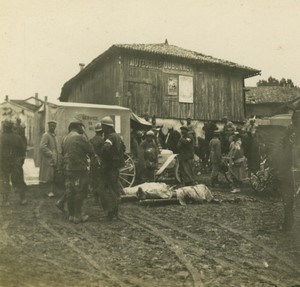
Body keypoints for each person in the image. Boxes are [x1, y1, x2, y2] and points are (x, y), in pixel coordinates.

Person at [270, 107, 300, 231]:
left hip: (292, 168)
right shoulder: (290, 130)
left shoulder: (291, 130)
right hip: (290, 169)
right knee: (287, 198)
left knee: (288, 198)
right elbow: (282, 146)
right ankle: (288, 223)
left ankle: (288, 223)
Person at [64, 119, 94, 223]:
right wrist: (85, 135)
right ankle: (78, 215)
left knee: (71, 191)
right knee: (81, 190)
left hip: (69, 168)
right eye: (82, 127)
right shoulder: (79, 137)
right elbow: (90, 150)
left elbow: (63, 151)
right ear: (78, 127)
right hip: (79, 168)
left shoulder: (66, 138)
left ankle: (71, 215)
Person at [99, 116, 125, 221]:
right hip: (115, 167)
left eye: (103, 127)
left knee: (106, 190)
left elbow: (105, 149)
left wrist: (106, 158)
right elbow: (124, 148)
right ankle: (115, 213)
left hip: (108, 168)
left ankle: (110, 213)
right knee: (114, 189)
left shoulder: (110, 137)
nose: (102, 129)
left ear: (107, 127)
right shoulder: (118, 137)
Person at [0, 119, 27, 205]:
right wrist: (21, 162)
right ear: (12, 127)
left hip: (4, 163)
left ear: (4, 127)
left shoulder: (1, 137)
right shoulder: (17, 137)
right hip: (16, 162)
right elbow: (22, 151)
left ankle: (5, 200)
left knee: (4, 180)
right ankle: (23, 199)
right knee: (18, 180)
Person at [39, 120, 58, 197]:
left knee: (51, 175)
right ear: (48, 126)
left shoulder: (53, 135)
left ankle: (50, 190)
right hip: (48, 159)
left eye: (54, 126)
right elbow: (42, 146)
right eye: (51, 126)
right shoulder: (46, 135)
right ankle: (48, 191)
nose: (52, 127)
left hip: (52, 158)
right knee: (48, 176)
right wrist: (51, 154)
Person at [89, 123, 104, 205]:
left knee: (94, 181)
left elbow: (89, 153)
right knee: (101, 181)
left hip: (93, 163)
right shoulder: (103, 140)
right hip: (101, 163)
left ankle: (96, 199)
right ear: (102, 131)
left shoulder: (91, 140)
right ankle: (101, 199)